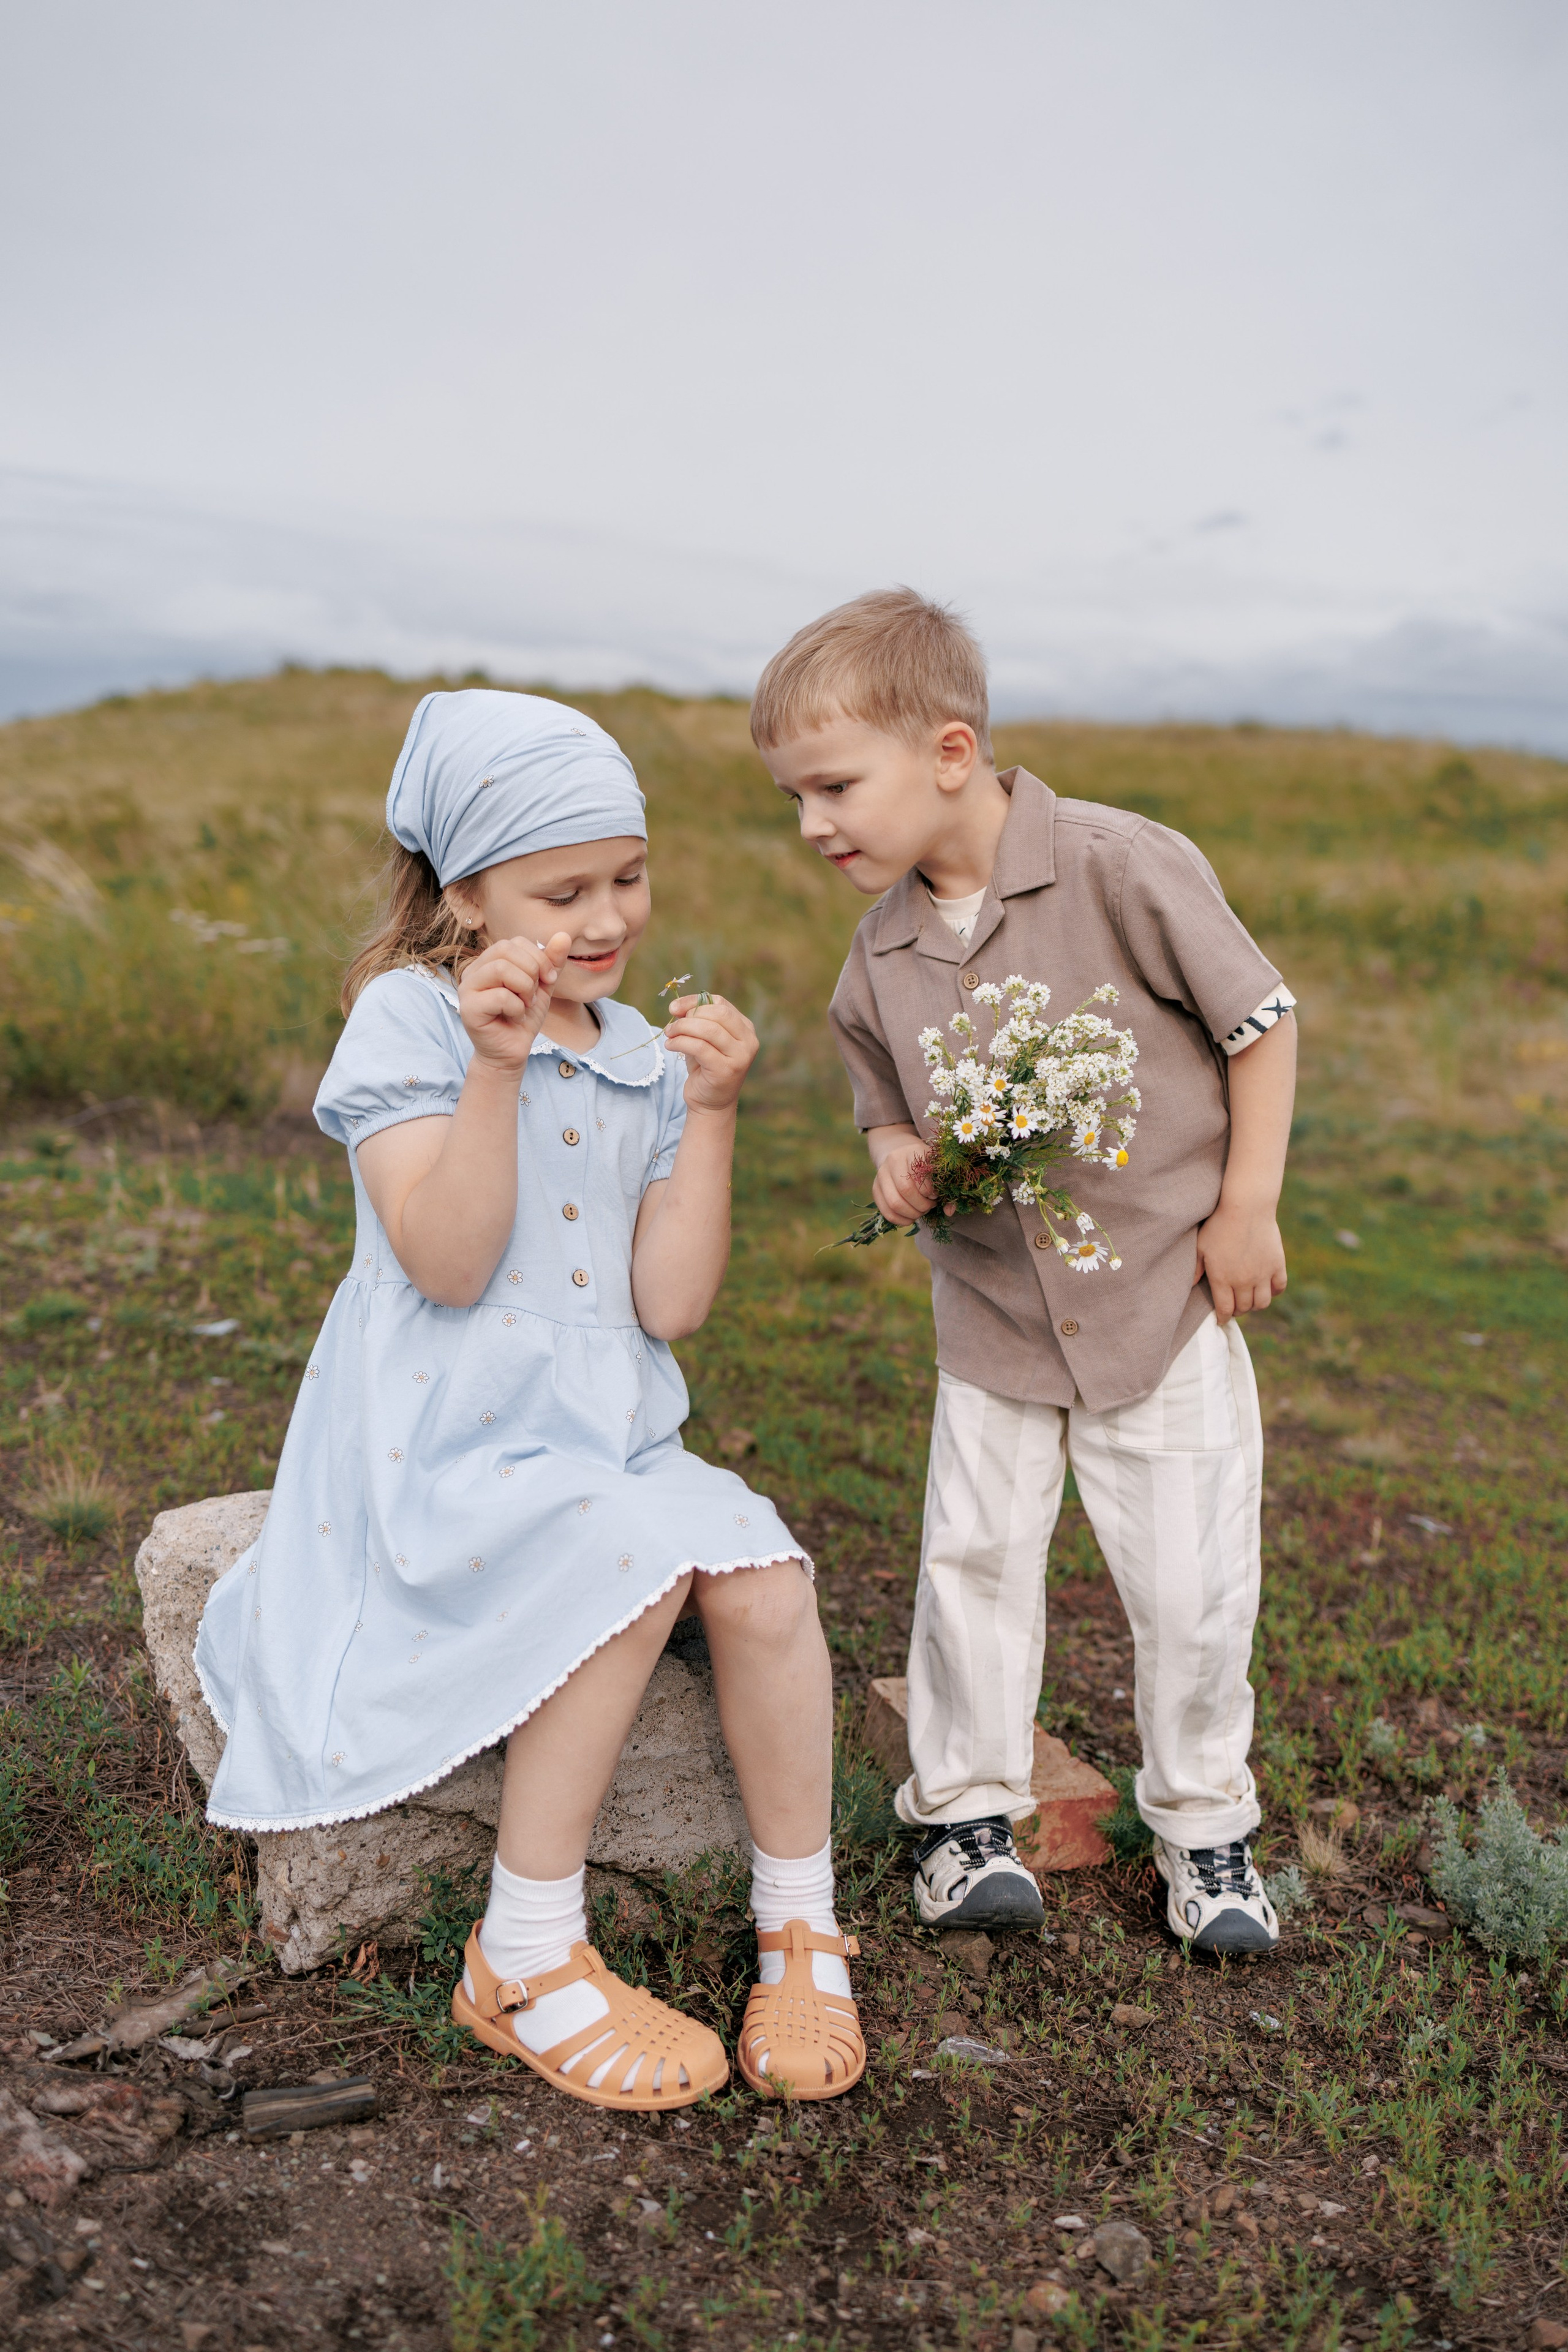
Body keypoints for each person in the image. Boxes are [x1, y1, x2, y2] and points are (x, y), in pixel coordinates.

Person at [195, 687, 863, 2106]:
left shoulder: (638, 1054)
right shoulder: (410, 1021)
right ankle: (524, 1950)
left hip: (604, 1434)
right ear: (466, 895)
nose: (607, 918)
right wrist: (496, 1068)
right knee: (625, 1569)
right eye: (564, 892)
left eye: (628, 877)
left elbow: (668, 1305)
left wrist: (711, 1117)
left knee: (764, 1586)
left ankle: (798, 1925)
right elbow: (446, 1262)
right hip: (445, 1439)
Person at [752, 590, 1296, 1956]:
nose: (812, 824)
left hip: (1161, 1302)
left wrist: (1246, 1205)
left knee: (1190, 1584)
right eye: (794, 798)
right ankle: (965, 1817)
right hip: (993, 1316)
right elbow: (882, 1101)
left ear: (949, 753)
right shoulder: (878, 953)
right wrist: (894, 1154)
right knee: (974, 1565)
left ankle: (1204, 1825)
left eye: (833, 787)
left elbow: (1260, 1023)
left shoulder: (1121, 866)